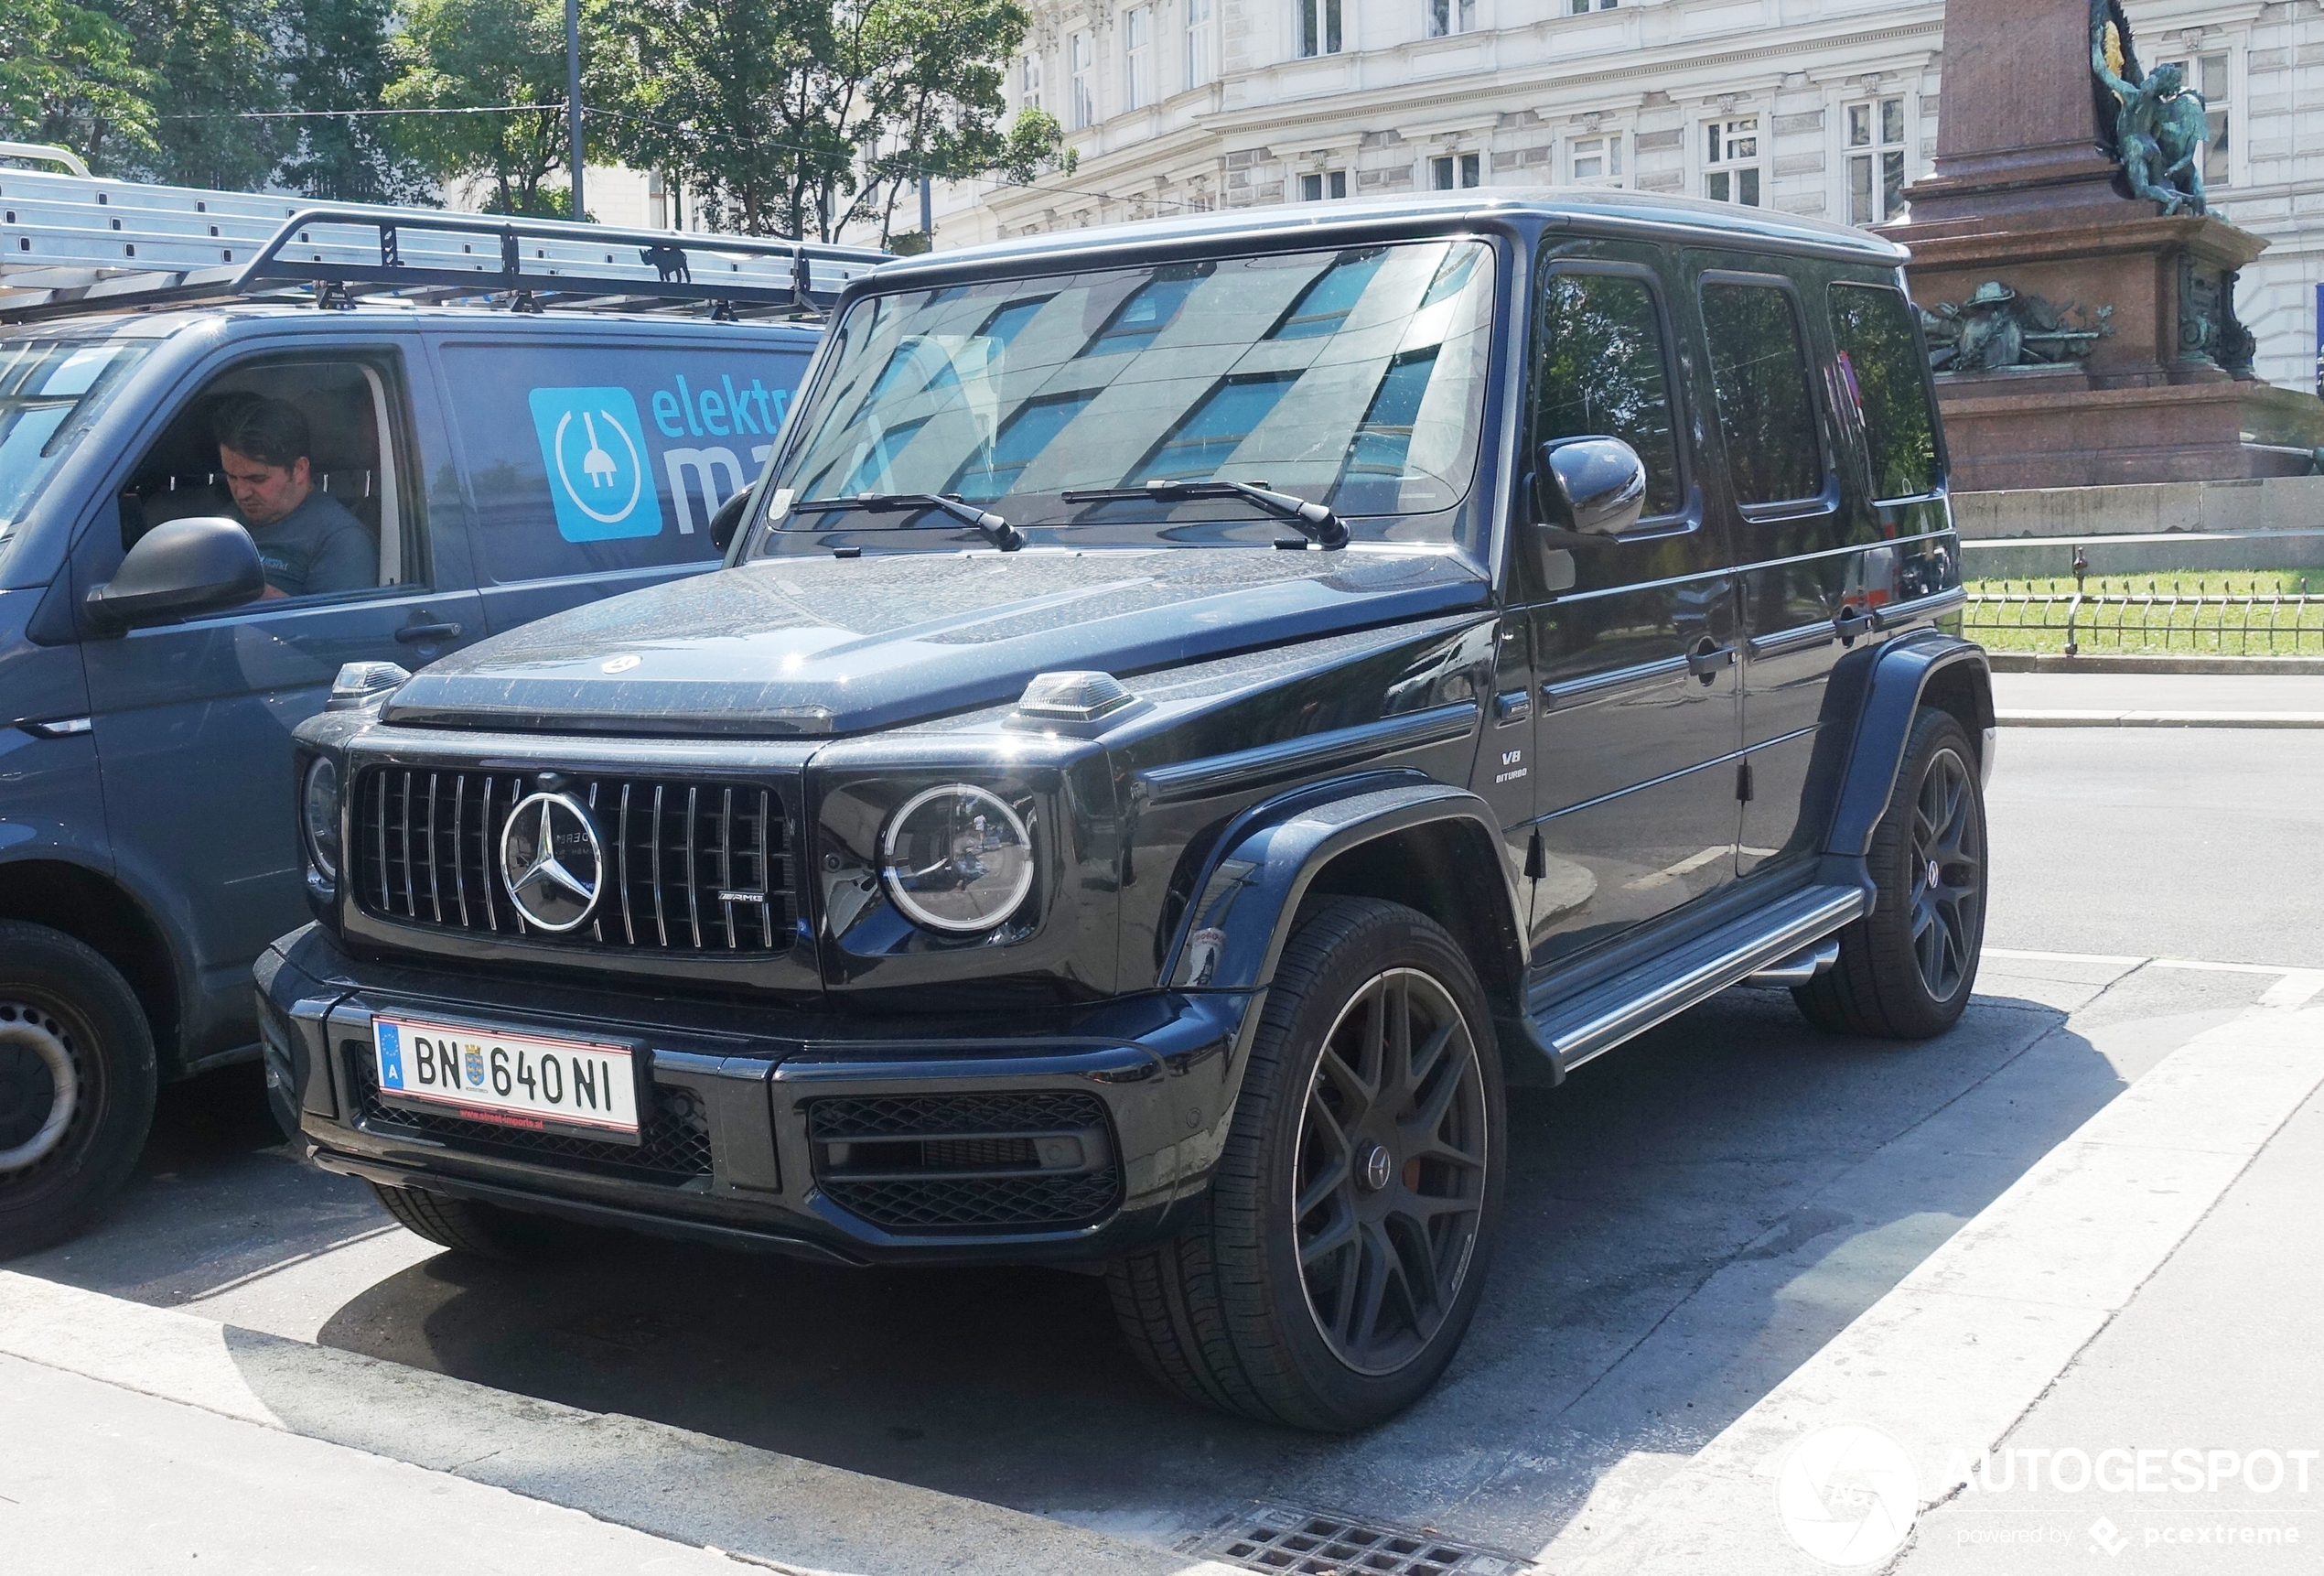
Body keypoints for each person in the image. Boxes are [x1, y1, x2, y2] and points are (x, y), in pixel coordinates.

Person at [213, 396, 376, 599]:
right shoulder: (223, 522)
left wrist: (254, 594)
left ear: (299, 470)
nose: (241, 492)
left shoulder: (339, 539)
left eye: (257, 479)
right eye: (231, 477)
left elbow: (340, 627)